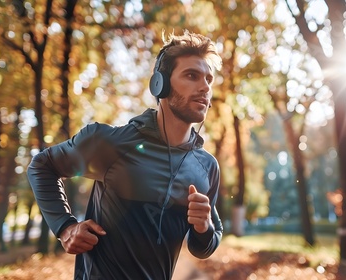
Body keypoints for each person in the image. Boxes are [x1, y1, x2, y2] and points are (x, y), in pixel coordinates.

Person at [27, 30, 223, 280]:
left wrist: (203, 227)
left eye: (209, 79)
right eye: (191, 76)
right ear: (159, 84)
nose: (205, 87)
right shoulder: (111, 142)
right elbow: (42, 165)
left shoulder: (206, 166)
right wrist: (65, 227)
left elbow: (204, 246)